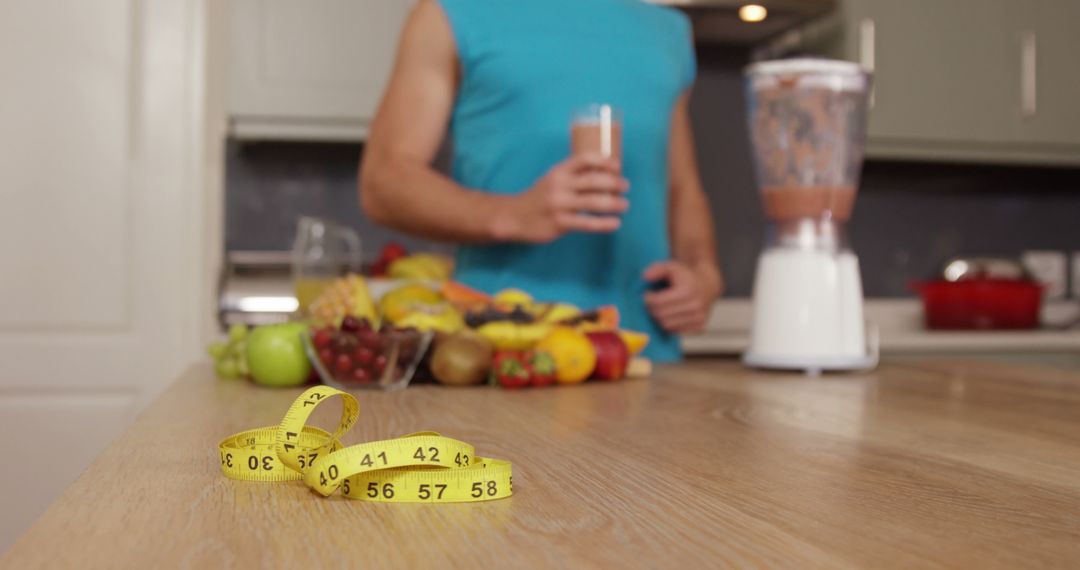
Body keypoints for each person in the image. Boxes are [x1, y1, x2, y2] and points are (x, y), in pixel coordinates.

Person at [360, 0, 722, 362]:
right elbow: (384, 181)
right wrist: (512, 215)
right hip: (499, 353)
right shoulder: (450, 13)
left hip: (642, 353)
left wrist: (702, 274)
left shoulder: (668, 30)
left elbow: (682, 187)